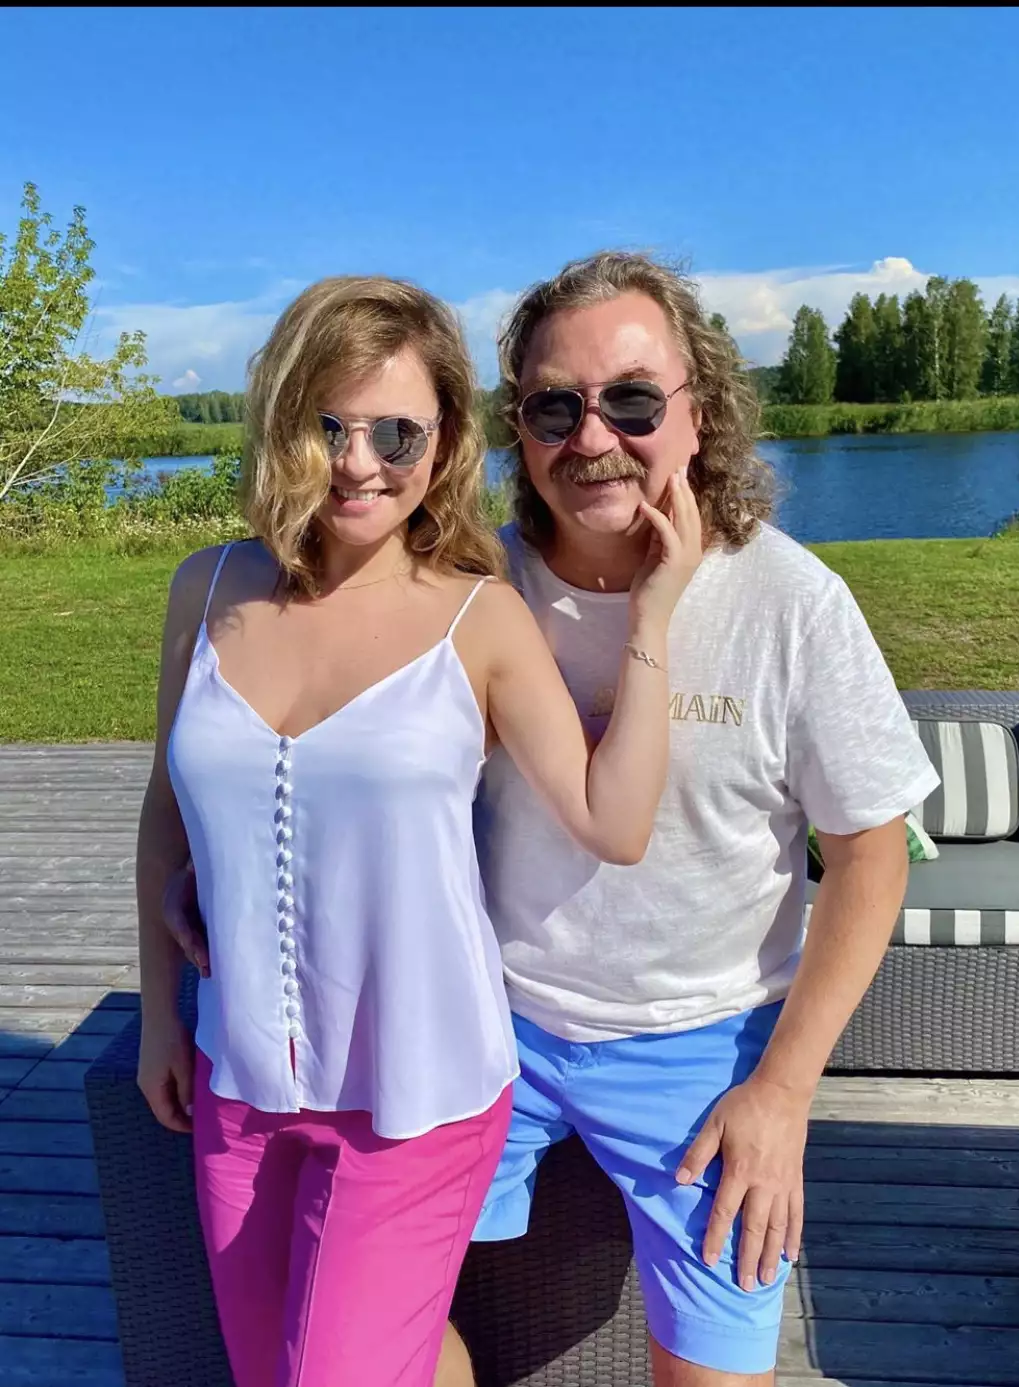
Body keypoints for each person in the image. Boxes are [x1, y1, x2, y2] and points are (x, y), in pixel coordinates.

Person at [166, 252, 940, 1387]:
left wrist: (782, 1091)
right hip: (491, 1021)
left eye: (631, 399)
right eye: (554, 407)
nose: (592, 437)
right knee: (351, 1337)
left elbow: (871, 855)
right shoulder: (469, 577)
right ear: (514, 430)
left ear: (701, 411)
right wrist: (238, 861)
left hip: (698, 1036)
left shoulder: (789, 603)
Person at [135, 273, 701, 1387]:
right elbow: (168, 816)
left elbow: (614, 820)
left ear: (442, 446)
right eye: (328, 426)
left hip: (418, 1097)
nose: (358, 463)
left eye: (396, 432)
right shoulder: (207, 590)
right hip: (240, 1086)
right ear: (282, 424)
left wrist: (655, 613)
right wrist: (163, 1017)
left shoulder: (476, 618)